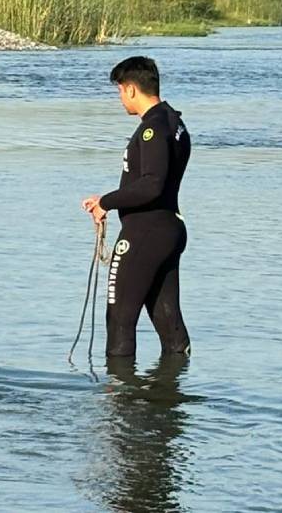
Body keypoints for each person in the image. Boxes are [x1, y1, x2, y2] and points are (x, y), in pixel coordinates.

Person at [82, 56, 191, 359]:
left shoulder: (152, 130)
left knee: (119, 320)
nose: (120, 99)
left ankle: (121, 402)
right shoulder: (174, 122)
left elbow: (152, 184)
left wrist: (107, 201)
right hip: (168, 229)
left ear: (131, 89)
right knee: (170, 326)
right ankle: (169, 400)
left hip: (145, 232)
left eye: (119, 91)